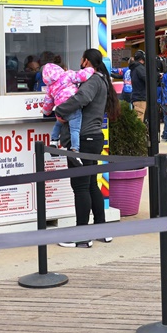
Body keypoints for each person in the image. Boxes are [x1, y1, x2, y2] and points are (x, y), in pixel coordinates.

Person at [54, 48, 120, 248]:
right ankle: (101, 230)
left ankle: (81, 236)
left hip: (82, 139)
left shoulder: (92, 81)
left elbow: (81, 99)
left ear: (85, 62)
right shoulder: (103, 80)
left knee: (81, 186)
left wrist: (60, 109)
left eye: (81, 60)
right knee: (91, 184)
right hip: (94, 138)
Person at [40, 62, 93, 146]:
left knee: (58, 124)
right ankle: (75, 148)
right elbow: (81, 76)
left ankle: (53, 141)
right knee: (75, 130)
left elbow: (48, 103)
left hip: (61, 109)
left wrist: (45, 112)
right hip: (73, 106)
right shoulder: (68, 75)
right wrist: (91, 69)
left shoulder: (50, 88)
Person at [129, 51, 148, 121]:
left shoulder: (133, 69)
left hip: (136, 97)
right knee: (139, 120)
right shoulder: (140, 68)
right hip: (140, 98)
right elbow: (146, 79)